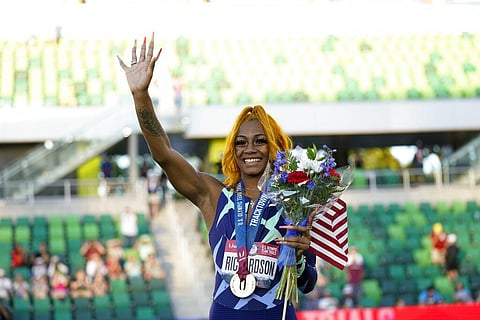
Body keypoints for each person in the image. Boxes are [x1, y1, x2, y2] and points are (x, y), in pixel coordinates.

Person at [117, 35, 317, 319]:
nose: (250, 149)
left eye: (260, 141)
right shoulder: (213, 196)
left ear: (274, 146)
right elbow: (163, 154)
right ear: (232, 150)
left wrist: (298, 259)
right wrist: (141, 96)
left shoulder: (295, 202)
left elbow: (307, 284)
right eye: (241, 142)